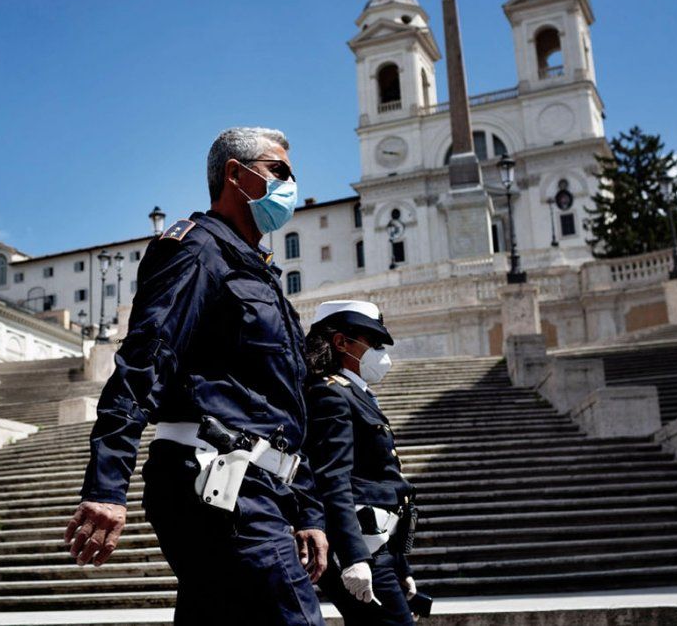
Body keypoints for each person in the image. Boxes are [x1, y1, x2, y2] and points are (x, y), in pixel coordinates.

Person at [64, 127, 328, 626]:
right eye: (280, 171)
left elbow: (285, 407)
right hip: (216, 481)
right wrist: (105, 486)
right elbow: (145, 361)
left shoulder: (261, 274)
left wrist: (309, 510)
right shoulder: (195, 250)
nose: (290, 185)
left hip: (259, 487)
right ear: (236, 174)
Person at [303, 300, 419, 626]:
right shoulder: (330, 395)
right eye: (374, 343)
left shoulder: (358, 395)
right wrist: (354, 557)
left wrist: (400, 567)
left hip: (380, 548)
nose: (382, 354)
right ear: (341, 343)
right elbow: (333, 479)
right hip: (359, 550)